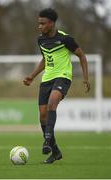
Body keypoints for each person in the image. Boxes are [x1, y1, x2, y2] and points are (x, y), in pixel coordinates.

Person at [23, 8, 90, 164]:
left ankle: (47, 140)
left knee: (52, 103)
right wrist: (32, 76)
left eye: (42, 23)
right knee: (42, 115)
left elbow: (82, 55)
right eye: (38, 23)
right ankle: (56, 152)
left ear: (51, 23)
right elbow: (45, 59)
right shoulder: (41, 40)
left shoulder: (66, 39)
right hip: (47, 79)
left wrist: (86, 78)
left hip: (63, 77)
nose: (39, 26)